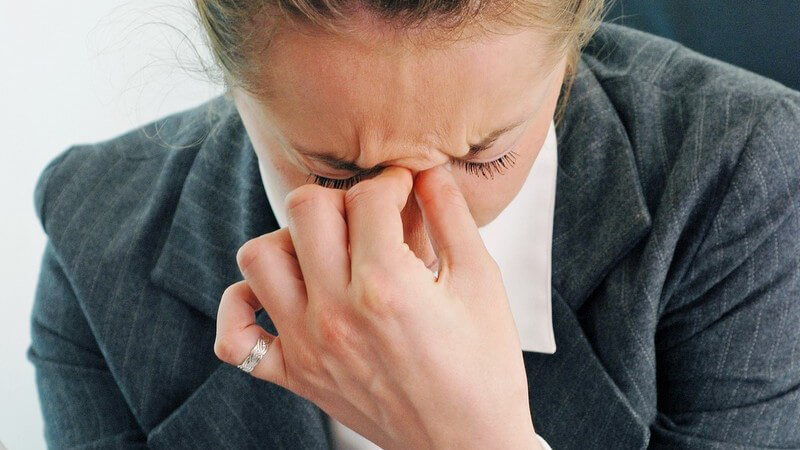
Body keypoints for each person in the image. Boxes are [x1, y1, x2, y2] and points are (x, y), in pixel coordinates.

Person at [27, 0, 800, 447]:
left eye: (484, 156)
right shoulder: (95, 237)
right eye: (337, 171)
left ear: (567, 57)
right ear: (235, 83)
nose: (404, 240)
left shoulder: (742, 182)